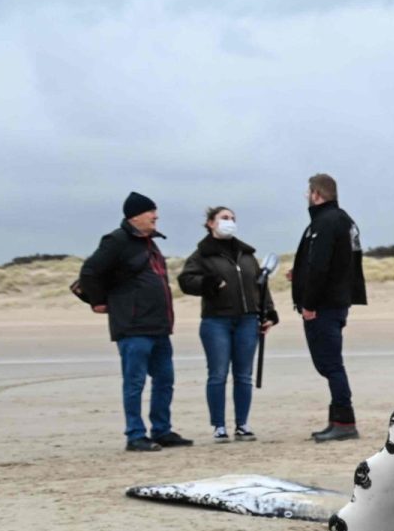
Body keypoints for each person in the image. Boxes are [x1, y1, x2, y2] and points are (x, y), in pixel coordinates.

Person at [75, 192, 192, 451]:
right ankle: (135, 434)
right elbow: (90, 272)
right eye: (151, 212)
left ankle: (161, 430)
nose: (156, 217)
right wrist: (98, 301)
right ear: (135, 216)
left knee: (165, 379)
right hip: (133, 326)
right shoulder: (116, 241)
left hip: (159, 326)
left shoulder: (150, 242)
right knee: (135, 381)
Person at [178, 206, 279, 442]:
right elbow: (186, 280)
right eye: (224, 218)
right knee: (218, 374)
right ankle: (219, 426)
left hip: (247, 319)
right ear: (211, 223)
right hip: (216, 321)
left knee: (244, 375)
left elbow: (260, 285)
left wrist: (269, 313)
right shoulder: (201, 254)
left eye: (232, 218)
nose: (229, 222)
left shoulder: (246, 254)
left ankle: (242, 424)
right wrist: (208, 283)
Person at [291, 173, 368, 442]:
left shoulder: (325, 223)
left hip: (324, 306)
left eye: (308, 192)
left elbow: (322, 265)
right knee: (329, 363)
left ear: (316, 194)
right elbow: (339, 262)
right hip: (337, 301)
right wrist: (298, 274)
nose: (306, 197)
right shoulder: (344, 220)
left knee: (330, 364)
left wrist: (310, 303)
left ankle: (344, 422)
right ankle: (337, 419)